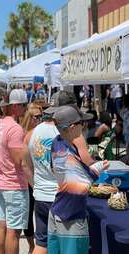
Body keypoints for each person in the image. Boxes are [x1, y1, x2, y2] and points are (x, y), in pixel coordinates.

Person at [23, 91, 94, 254]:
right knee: (67, 248)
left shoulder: (32, 132)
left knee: (42, 244)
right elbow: (85, 165)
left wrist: (37, 186)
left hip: (41, 195)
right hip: (62, 199)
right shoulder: (71, 133)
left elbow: (24, 165)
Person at [49, 105, 109, 254]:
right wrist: (98, 167)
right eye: (81, 123)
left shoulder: (58, 142)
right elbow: (82, 185)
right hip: (70, 217)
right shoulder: (67, 155)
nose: (84, 126)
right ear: (71, 127)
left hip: (57, 210)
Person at [0, 89, 28, 254]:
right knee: (14, 230)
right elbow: (19, 161)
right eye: (23, 105)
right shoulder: (15, 128)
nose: (25, 109)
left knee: (1, 225)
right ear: (15, 106)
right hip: (13, 184)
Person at [20, 103, 43, 254]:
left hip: (40, 177)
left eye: (42, 116)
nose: (40, 119)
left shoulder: (42, 132)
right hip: (26, 179)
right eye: (37, 117)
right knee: (27, 215)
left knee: (40, 213)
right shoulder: (22, 134)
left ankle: (39, 245)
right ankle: (31, 246)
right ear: (30, 117)